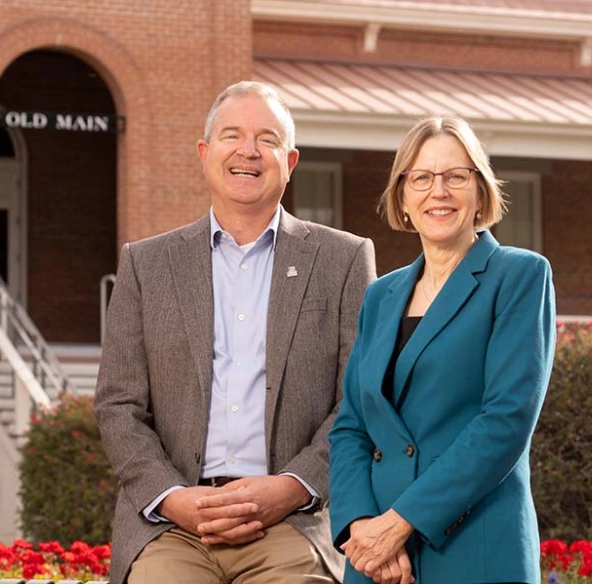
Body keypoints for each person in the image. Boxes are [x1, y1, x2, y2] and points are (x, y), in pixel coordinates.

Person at [94, 80, 376, 584]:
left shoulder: (343, 260)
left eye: (266, 139)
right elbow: (118, 405)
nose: (248, 151)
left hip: (294, 525)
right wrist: (174, 498)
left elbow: (359, 402)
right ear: (205, 153)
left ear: (289, 162)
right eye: (232, 136)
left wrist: (292, 486)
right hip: (172, 528)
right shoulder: (146, 265)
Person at [328, 115, 556, 584]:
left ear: (480, 191)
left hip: (475, 546)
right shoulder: (381, 296)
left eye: (456, 176)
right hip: (377, 560)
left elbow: (506, 420)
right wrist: (362, 526)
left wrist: (400, 522)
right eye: (422, 178)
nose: (439, 191)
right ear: (403, 197)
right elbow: (351, 425)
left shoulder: (519, 276)